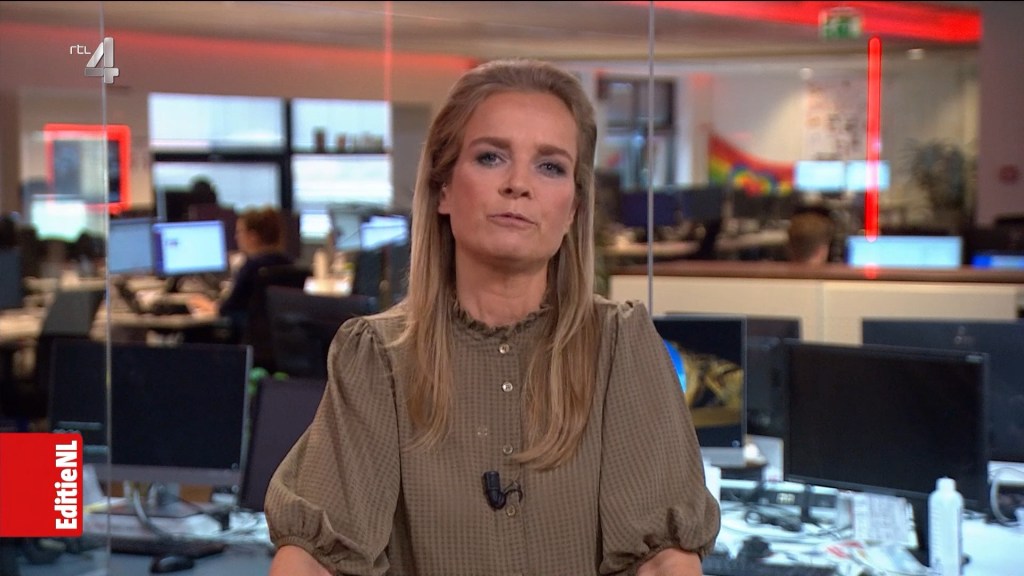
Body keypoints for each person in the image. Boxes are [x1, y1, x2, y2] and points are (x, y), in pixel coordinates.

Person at [265, 59, 720, 576]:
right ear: (442, 188)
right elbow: (313, 559)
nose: (518, 184)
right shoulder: (378, 357)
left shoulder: (619, 346)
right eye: (490, 157)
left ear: (573, 208)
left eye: (550, 166)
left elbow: (664, 561)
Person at [188, 206, 293, 328]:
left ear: (253, 236)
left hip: (248, 333)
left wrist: (207, 305)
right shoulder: (289, 264)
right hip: (281, 334)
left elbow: (228, 308)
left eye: (239, 232)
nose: (236, 237)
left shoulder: (252, 267)